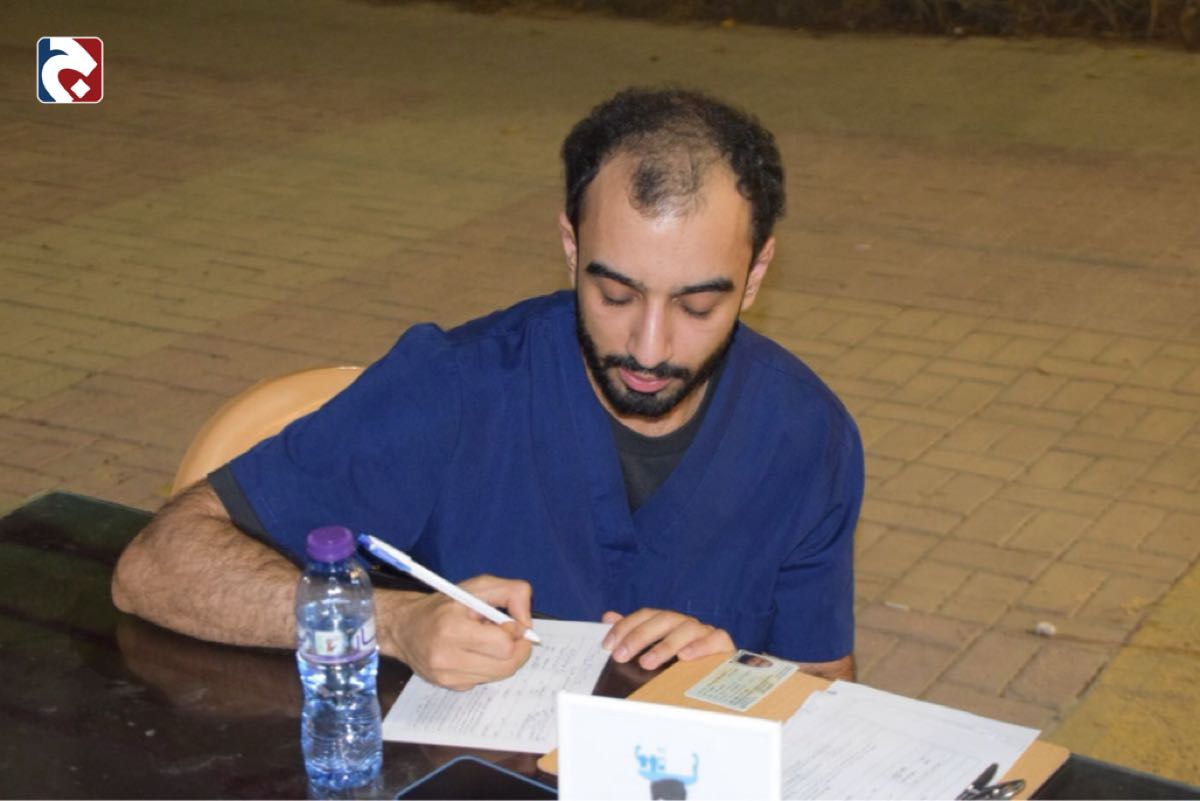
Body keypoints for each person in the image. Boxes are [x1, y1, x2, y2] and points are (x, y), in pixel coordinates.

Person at [112, 87, 863, 691]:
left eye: (697, 306)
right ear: (570, 246)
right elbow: (156, 566)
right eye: (615, 294)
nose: (648, 346)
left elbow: (828, 682)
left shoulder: (808, 434)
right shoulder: (455, 388)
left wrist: (740, 674)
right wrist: (393, 623)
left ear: (756, 275)